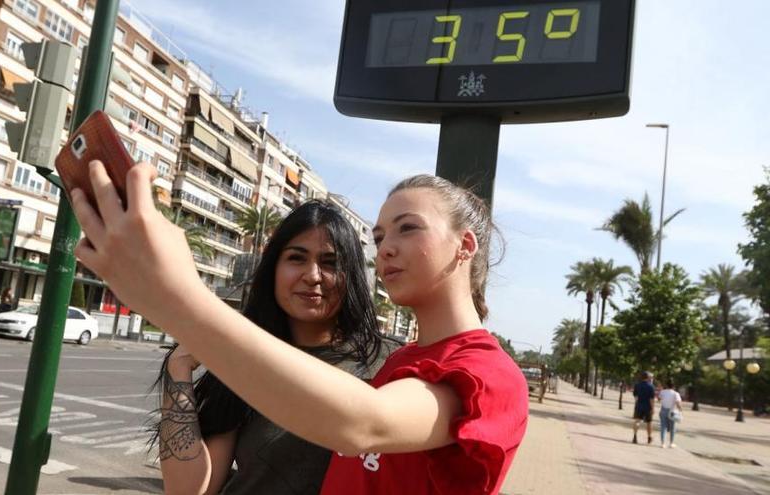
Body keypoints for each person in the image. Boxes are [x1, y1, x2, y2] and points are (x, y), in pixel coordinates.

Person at [70, 162, 529, 494]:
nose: (386, 247)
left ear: (464, 245)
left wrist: (177, 299)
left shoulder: (487, 376)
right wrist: (181, 362)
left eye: (408, 229)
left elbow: (364, 423)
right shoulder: (406, 363)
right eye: (380, 236)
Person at [151, 200, 395, 494]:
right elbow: (188, 490)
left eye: (330, 263)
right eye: (296, 258)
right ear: (274, 269)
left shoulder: (387, 363)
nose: (313, 275)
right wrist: (178, 366)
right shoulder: (245, 360)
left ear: (351, 275)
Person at [632, 371, 655, 444]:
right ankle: (649, 437)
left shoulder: (637, 385)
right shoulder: (651, 386)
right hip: (648, 407)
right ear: (648, 377)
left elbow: (635, 396)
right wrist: (653, 408)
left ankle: (635, 436)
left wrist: (637, 403)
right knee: (649, 422)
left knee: (637, 421)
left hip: (639, 406)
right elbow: (651, 399)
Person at [658, 379, 682, 448]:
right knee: (672, 428)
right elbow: (678, 403)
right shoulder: (676, 393)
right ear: (673, 386)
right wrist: (680, 410)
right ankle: (671, 443)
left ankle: (663, 443)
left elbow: (659, 399)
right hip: (672, 411)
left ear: (666, 385)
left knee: (663, 427)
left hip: (663, 410)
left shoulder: (662, 392)